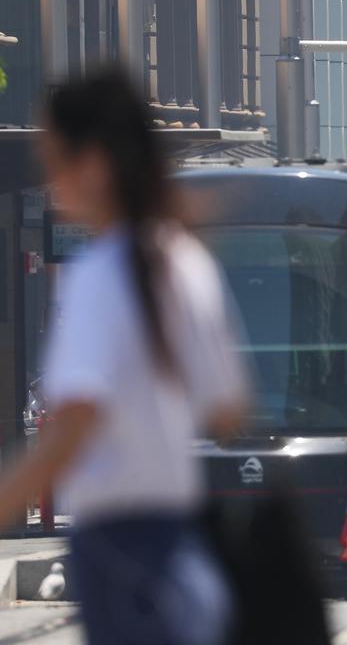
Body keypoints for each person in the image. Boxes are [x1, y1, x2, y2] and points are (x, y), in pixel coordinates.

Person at [0, 68, 248, 644]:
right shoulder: (185, 261)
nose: (52, 181)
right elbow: (228, 409)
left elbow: (76, 423)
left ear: (94, 165)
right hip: (181, 549)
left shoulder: (101, 275)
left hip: (116, 552)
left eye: (55, 161)